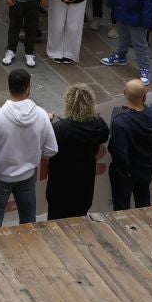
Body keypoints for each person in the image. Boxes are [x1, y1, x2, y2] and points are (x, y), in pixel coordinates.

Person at [0, 68, 58, 227]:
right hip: (26, 178)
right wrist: (34, 151)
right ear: (28, 88)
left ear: (9, 87)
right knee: (28, 222)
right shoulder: (42, 115)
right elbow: (52, 149)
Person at [45, 83, 108, 221]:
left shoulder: (60, 129)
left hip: (60, 186)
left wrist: (47, 123)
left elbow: (47, 144)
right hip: (84, 185)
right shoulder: (99, 125)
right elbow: (103, 135)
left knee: (56, 223)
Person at [108, 78, 152, 211]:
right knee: (143, 200)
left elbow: (121, 152)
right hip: (148, 166)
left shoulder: (121, 121)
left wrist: (125, 172)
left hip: (128, 172)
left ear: (124, 93)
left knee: (121, 205)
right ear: (145, 94)